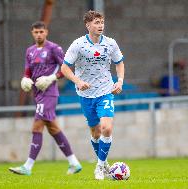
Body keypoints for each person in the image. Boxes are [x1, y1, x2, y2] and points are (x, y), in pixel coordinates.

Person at [9, 21, 82, 176]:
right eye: (36, 32)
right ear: (32, 33)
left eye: (41, 32)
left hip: (49, 93)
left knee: (36, 127)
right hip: (37, 94)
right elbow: (27, 71)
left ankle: (27, 167)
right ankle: (74, 163)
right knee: (53, 128)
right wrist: (25, 79)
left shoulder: (54, 48)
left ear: (46, 32)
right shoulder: (29, 51)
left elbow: (65, 69)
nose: (39, 34)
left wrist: (50, 78)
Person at [61, 10, 125, 180]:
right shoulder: (78, 44)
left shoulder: (111, 43)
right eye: (96, 23)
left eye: (102, 22)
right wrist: (78, 81)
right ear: (88, 25)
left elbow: (119, 63)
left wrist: (119, 81)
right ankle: (103, 163)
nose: (100, 26)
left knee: (107, 128)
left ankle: (99, 166)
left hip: (105, 91)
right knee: (96, 133)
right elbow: (64, 68)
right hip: (86, 95)